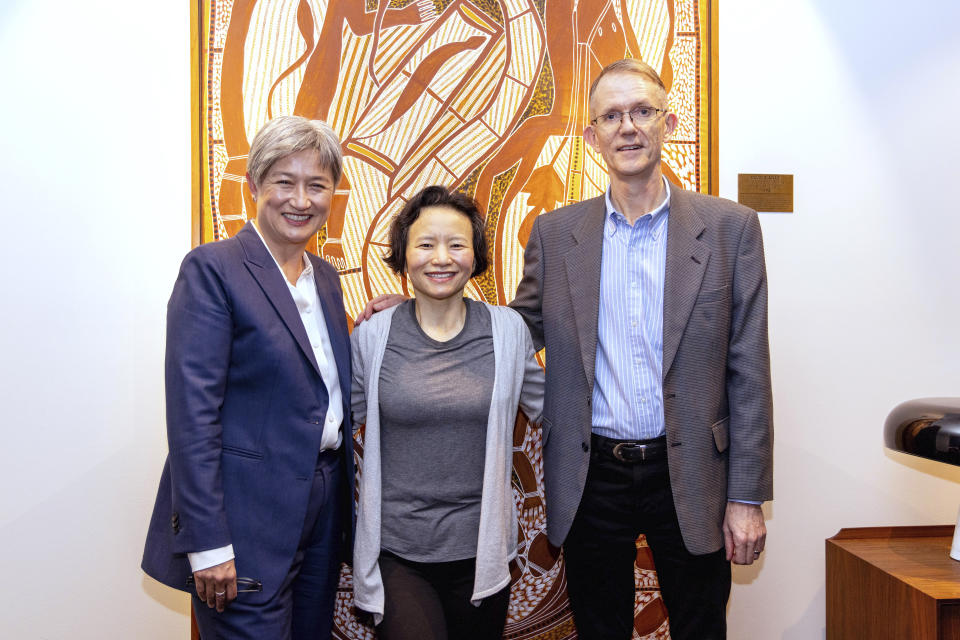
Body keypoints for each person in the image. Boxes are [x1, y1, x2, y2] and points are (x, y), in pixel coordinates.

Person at [359, 57, 773, 640]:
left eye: (642, 112)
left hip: (694, 472)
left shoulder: (731, 229)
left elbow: (749, 370)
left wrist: (747, 497)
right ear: (592, 137)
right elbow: (515, 330)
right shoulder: (557, 233)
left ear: (668, 123)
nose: (627, 127)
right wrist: (412, 315)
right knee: (599, 629)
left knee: (701, 627)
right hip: (591, 472)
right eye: (611, 116)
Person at [142, 115, 354, 639]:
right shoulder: (213, 269)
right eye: (285, 181)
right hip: (245, 517)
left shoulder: (325, 278)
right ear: (254, 186)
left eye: (317, 185)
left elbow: (317, 381)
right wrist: (208, 543)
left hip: (322, 502)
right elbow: (192, 418)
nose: (301, 200)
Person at [349, 186, 544, 640]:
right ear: (403, 254)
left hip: (483, 552)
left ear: (474, 256)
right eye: (425, 244)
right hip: (397, 552)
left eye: (456, 244)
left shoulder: (508, 331)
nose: (441, 258)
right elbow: (344, 419)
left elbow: (551, 408)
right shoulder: (372, 337)